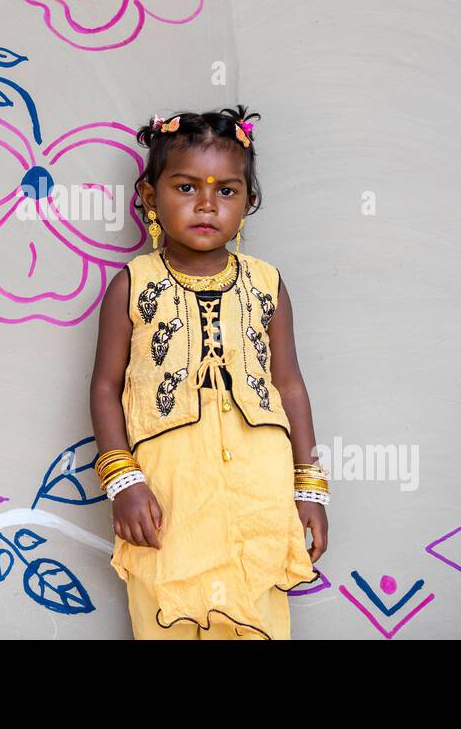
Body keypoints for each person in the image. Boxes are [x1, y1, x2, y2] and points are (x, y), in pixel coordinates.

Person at [89, 106, 329, 639]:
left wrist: (309, 488)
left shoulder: (268, 284)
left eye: (227, 191)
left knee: (255, 611)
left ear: (248, 202)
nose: (206, 204)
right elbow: (105, 387)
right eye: (185, 187)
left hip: (260, 485)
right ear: (151, 198)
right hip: (168, 488)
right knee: (167, 609)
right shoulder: (132, 284)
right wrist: (122, 480)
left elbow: (289, 384)